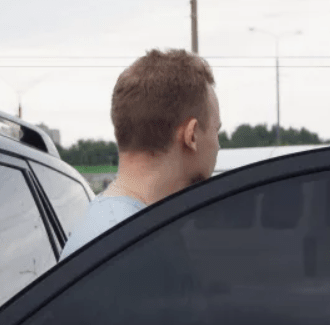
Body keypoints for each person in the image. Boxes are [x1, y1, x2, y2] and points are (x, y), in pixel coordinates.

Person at [60, 48, 221, 259]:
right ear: (191, 136)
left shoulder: (110, 227)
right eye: (217, 131)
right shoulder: (133, 250)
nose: (218, 146)